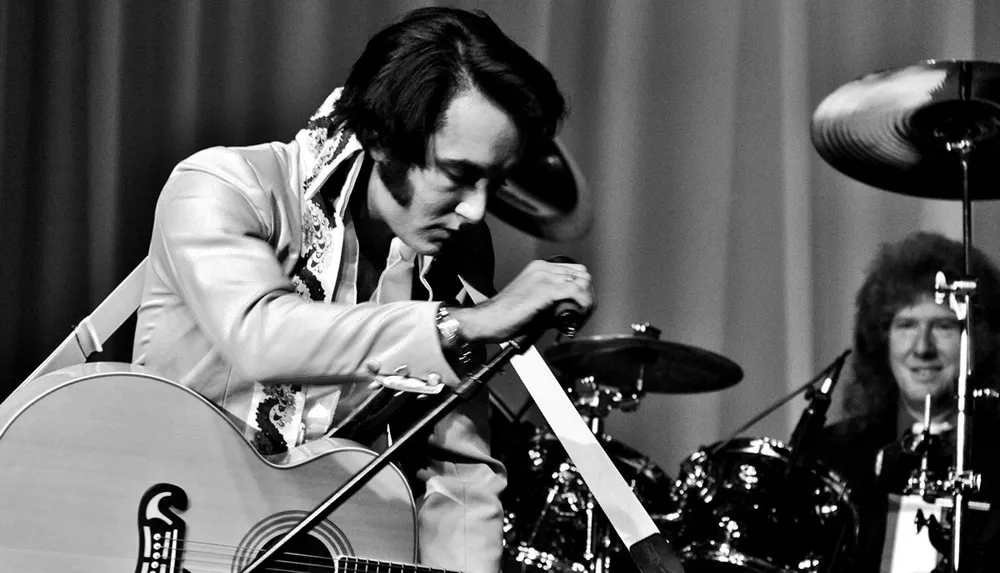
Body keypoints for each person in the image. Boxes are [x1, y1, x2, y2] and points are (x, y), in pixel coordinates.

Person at [131, 7, 594, 573]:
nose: (476, 210)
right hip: (154, 528)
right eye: (457, 175)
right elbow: (264, 336)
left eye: (492, 183)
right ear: (379, 139)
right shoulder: (224, 186)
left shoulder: (456, 254)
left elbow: (460, 474)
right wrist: (463, 324)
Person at [819, 231, 1000, 573]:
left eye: (944, 326)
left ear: (983, 340)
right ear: (881, 339)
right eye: (906, 325)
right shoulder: (831, 456)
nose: (922, 348)